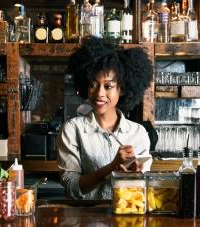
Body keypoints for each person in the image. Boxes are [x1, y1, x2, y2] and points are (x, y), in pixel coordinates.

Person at [57, 37, 153, 200]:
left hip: (126, 218)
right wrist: (112, 168)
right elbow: (72, 188)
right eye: (93, 84)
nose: (99, 93)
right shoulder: (73, 129)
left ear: (122, 90)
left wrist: (134, 177)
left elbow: (141, 191)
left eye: (108, 86)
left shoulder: (138, 133)